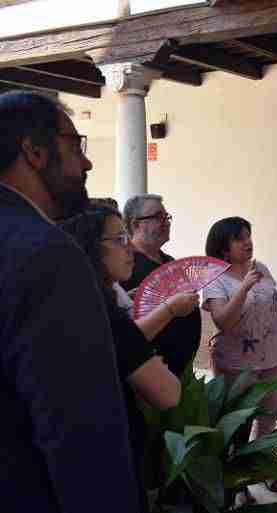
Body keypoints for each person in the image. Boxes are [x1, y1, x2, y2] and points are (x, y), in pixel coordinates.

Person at [0, 90, 140, 513]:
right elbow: (82, 435)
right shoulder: (47, 255)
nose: (88, 163)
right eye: (76, 146)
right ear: (34, 151)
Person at [60, 207, 197, 511]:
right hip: (109, 453)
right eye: (120, 239)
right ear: (89, 247)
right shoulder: (102, 312)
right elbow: (168, 393)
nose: (129, 247)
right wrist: (169, 312)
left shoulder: (74, 299)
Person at [202, 216, 277, 497]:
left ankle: (263, 470)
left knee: (268, 418)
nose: (248, 242)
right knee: (239, 422)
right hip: (236, 362)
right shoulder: (215, 279)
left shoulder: (260, 268)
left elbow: (271, 311)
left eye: (248, 236)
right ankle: (237, 483)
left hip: (269, 355)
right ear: (223, 248)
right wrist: (244, 288)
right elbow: (223, 321)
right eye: (239, 238)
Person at [121, 194, 202, 377]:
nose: (166, 222)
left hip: (180, 371)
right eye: (158, 217)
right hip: (148, 373)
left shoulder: (170, 261)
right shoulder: (125, 264)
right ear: (136, 224)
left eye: (167, 217)